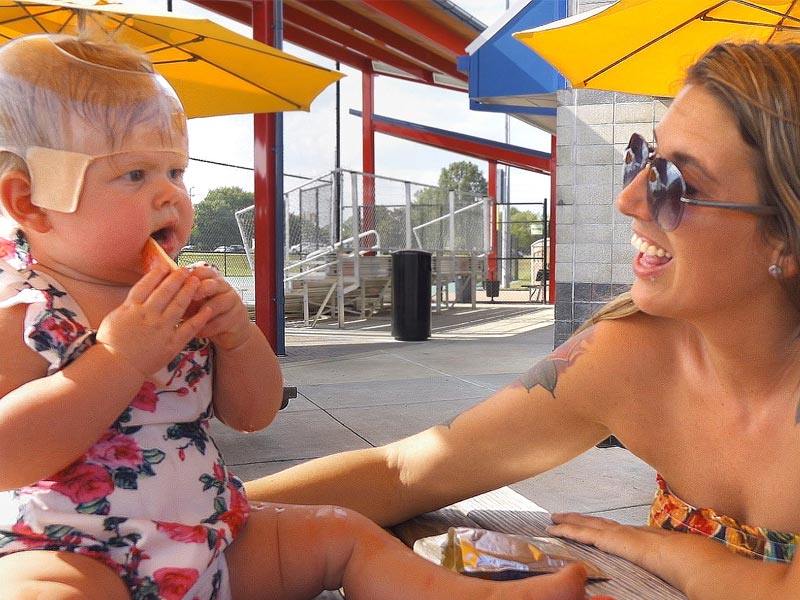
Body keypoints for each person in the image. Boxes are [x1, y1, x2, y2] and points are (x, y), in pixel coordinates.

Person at [0, 34, 593, 600]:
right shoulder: (29, 310)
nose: (171, 196)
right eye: (135, 174)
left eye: (175, 172)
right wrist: (117, 359)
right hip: (68, 549)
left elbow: (251, 414)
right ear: (30, 202)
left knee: (343, 534)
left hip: (211, 540)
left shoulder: (175, 301)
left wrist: (236, 338)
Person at [247, 41, 800, 599]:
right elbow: (406, 471)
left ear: (786, 236)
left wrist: (676, 551)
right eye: (645, 159)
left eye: (678, 184)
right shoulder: (631, 356)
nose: (629, 199)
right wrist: (191, 522)